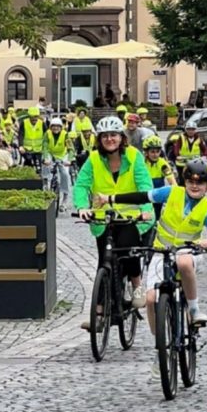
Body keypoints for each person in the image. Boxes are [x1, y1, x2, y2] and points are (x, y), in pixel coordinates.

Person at [73, 115, 154, 330]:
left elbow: (145, 185)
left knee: (127, 247)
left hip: (131, 216)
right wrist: (82, 207)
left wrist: (146, 211)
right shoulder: (93, 160)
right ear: (99, 139)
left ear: (121, 137)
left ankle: (137, 286)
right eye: (105, 136)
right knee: (104, 263)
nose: (110, 139)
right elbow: (81, 185)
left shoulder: (135, 157)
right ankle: (99, 314)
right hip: (103, 218)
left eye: (114, 135)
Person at [145, 157, 207, 338]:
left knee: (184, 262)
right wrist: (110, 198)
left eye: (200, 182)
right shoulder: (172, 192)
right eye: (190, 181)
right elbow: (143, 196)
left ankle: (194, 310)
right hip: (161, 251)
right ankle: (160, 344)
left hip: (189, 251)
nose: (195, 186)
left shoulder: (206, 207)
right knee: (149, 299)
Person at [43, 116, 74, 210]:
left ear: (61, 127)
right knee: (45, 166)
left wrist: (69, 159)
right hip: (50, 154)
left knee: (65, 174)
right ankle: (45, 186)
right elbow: (44, 146)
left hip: (62, 156)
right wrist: (46, 158)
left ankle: (64, 200)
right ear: (51, 127)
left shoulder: (65, 135)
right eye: (53, 126)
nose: (55, 128)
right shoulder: (47, 134)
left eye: (58, 126)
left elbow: (71, 149)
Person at [142, 134, 176, 198]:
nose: (156, 155)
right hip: (145, 194)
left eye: (158, 151)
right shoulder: (142, 163)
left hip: (157, 195)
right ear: (146, 152)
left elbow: (172, 181)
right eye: (152, 152)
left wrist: (176, 194)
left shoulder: (163, 164)